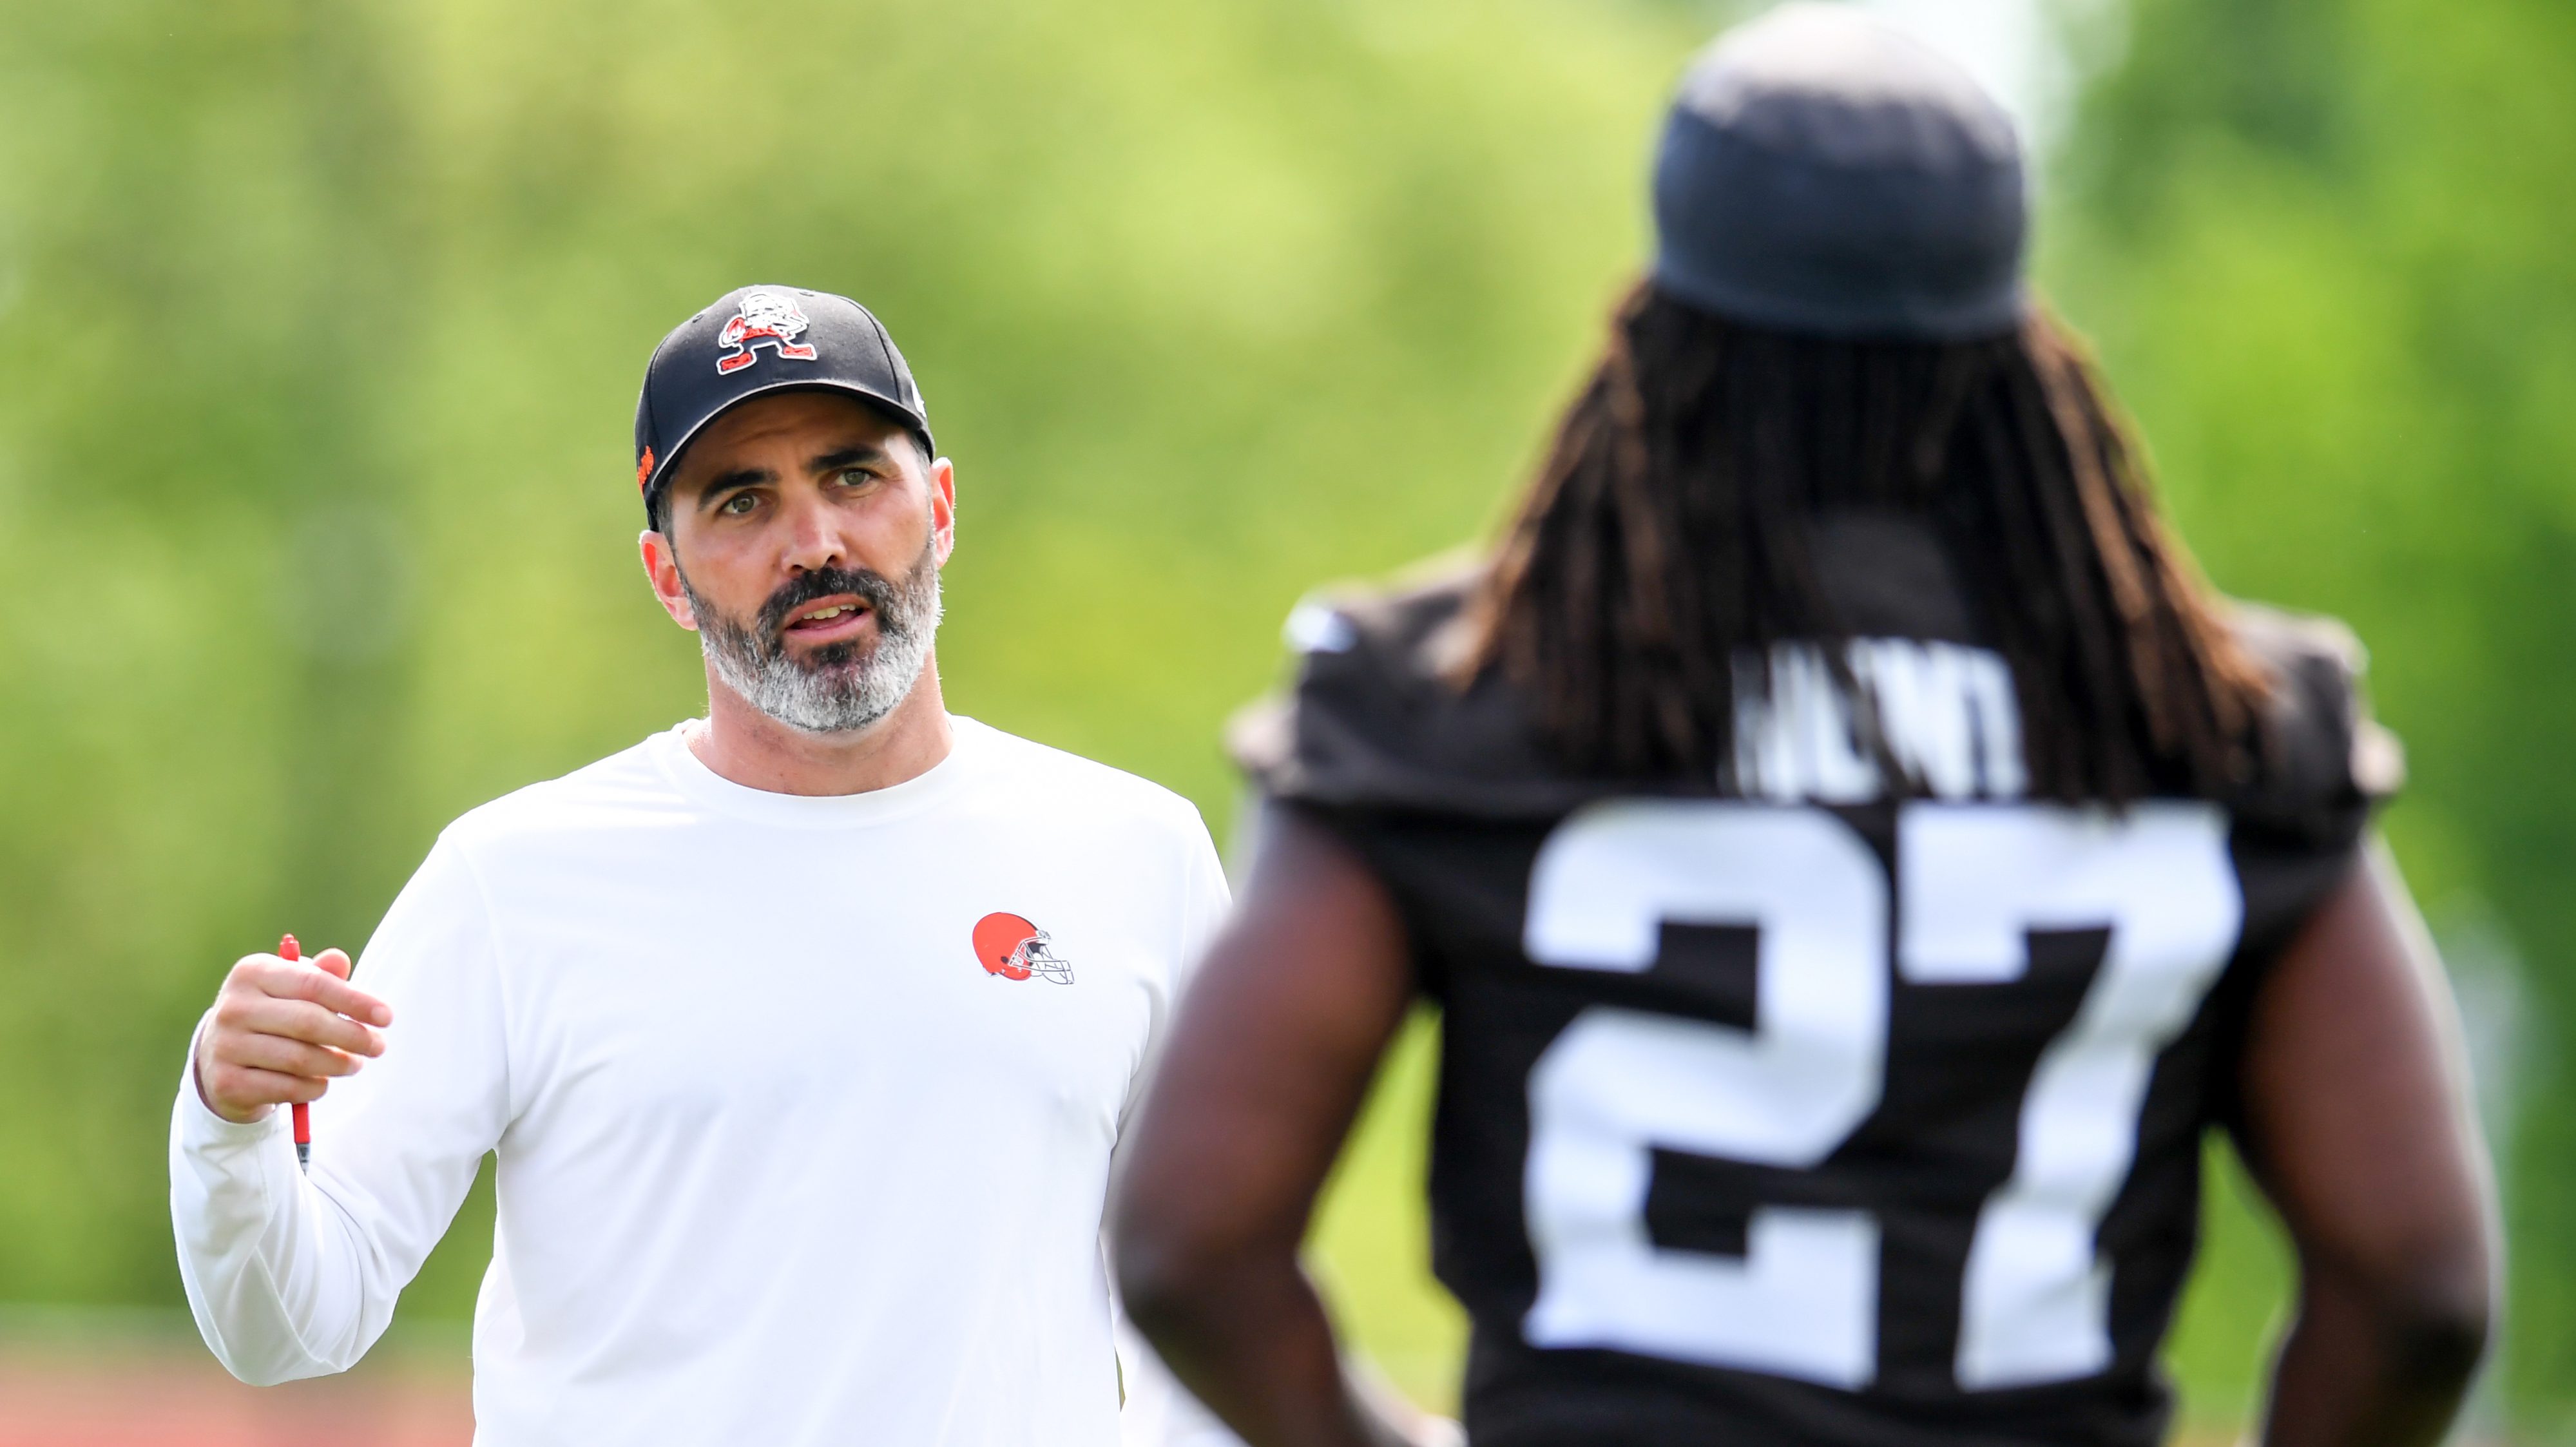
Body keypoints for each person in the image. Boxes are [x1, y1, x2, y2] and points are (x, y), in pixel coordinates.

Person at [1110, 9, 2496, 1447]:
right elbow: (2416, 1286)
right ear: (2014, 340)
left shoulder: (1465, 696)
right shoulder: (2199, 719)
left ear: (1660, 318)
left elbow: (1193, 1239)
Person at [173, 283, 1237, 1446]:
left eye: (852, 477)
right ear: (666, 574)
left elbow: (1213, 1307)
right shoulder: (514, 879)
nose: (815, 543)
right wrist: (228, 1121)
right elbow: (289, 1327)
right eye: (741, 501)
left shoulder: (1136, 854)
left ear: (936, 507)